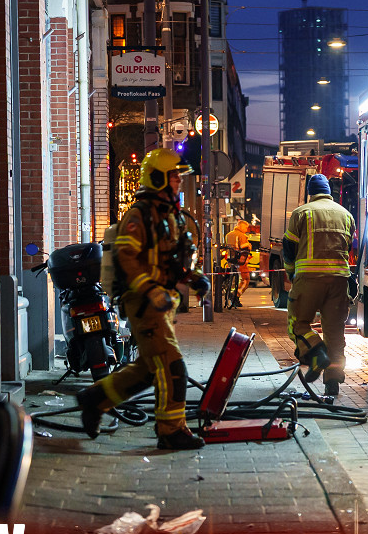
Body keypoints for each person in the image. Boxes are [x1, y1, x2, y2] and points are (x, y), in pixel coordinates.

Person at [76, 147, 211, 450]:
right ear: (159, 177)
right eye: (174, 175)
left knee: (150, 369)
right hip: (143, 303)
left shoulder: (170, 215)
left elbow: (174, 260)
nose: (178, 180)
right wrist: (151, 290)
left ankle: (95, 398)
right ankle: (170, 431)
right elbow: (127, 257)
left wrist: (193, 277)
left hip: (160, 304)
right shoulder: (138, 216)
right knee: (172, 367)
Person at [283, 174, 355, 397]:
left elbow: (289, 247)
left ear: (310, 193)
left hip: (309, 280)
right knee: (335, 333)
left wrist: (290, 271)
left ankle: (316, 351)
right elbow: (349, 246)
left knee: (298, 323)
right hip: (340, 281)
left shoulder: (301, 213)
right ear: (329, 192)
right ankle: (332, 382)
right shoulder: (346, 215)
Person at [224, 219, 253, 305]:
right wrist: (249, 245)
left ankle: (229, 290)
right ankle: (235, 295)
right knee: (245, 280)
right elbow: (244, 247)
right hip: (240, 261)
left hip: (229, 260)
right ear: (241, 227)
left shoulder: (228, 235)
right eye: (246, 228)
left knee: (233, 279)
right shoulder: (241, 236)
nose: (246, 230)